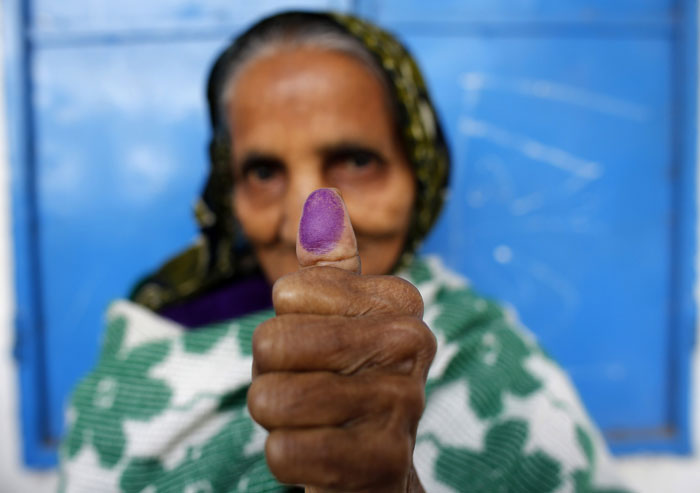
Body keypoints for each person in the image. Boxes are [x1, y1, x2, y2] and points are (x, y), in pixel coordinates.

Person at [58, 11, 631, 493]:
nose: (303, 221)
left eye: (356, 161)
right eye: (262, 171)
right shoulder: (148, 349)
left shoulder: (493, 365)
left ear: (420, 179)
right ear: (228, 195)